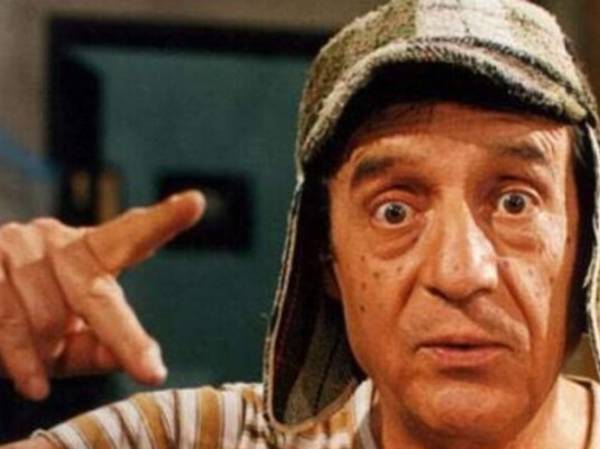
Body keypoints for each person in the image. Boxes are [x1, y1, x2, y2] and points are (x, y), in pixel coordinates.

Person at [2, 0, 600, 448]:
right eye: (394, 210)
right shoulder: (197, 439)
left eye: (515, 202)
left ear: (587, 242)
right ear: (327, 261)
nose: (460, 272)